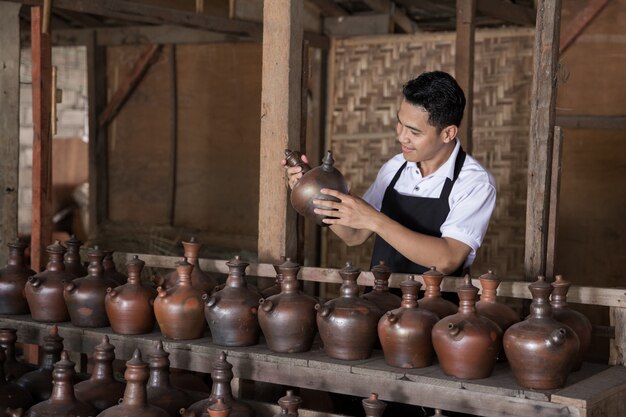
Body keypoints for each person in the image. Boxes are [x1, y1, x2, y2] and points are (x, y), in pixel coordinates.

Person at [284, 71, 496, 276]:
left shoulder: (474, 183)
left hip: (437, 310)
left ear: (448, 133)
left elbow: (447, 260)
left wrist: (375, 220)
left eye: (414, 132)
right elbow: (355, 235)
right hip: (381, 303)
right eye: (400, 124)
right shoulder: (395, 167)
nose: (402, 137)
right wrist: (316, 194)